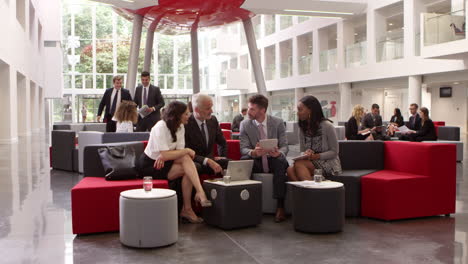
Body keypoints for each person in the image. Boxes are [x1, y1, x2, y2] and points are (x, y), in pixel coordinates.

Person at [136, 101, 212, 224]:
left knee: (187, 163)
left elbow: (177, 152)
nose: (189, 116)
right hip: (150, 165)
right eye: (186, 114)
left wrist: (167, 155)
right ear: (177, 115)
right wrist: (170, 154)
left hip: (166, 161)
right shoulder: (160, 127)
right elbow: (173, 153)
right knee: (188, 162)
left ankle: (189, 206)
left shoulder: (180, 126)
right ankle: (196, 198)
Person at [240, 94, 289, 223]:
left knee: (280, 163)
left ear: (262, 110)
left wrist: (279, 153)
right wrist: (253, 152)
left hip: (274, 158)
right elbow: (243, 148)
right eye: (249, 108)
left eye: (252, 109)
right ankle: (247, 204)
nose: (248, 112)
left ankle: (280, 206)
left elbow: (285, 146)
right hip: (257, 160)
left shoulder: (277, 122)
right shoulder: (244, 124)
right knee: (244, 161)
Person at [287, 96, 342, 181]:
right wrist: (305, 153)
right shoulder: (302, 128)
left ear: (310, 110)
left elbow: (334, 152)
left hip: (329, 163)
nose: (298, 113)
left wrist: (316, 156)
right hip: (310, 161)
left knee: (299, 164)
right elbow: (302, 150)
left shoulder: (327, 126)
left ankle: (310, 192)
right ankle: (308, 192)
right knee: (290, 170)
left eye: (300, 109)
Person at [184, 94, 229, 175]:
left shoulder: (213, 120)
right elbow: (185, 151)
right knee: (195, 167)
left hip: (211, 160)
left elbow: (222, 142)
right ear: (197, 109)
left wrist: (222, 156)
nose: (211, 111)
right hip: (195, 161)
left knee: (232, 164)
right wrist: (206, 161)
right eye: (208, 108)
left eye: (211, 107)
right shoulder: (186, 123)